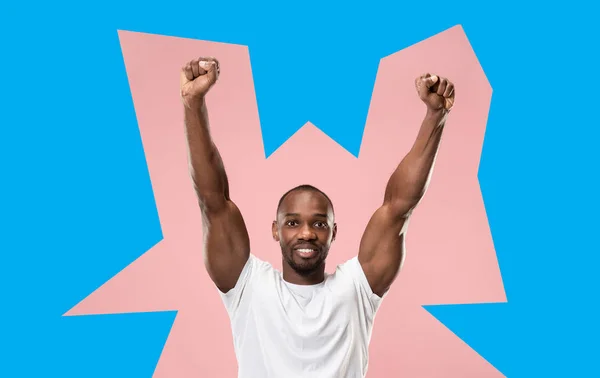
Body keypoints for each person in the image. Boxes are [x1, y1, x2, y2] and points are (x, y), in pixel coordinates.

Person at [180, 56, 455, 378]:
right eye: (293, 222)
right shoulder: (247, 287)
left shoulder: (356, 288)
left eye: (319, 223)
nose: (307, 233)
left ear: (334, 232)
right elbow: (212, 200)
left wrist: (436, 115)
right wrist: (193, 102)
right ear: (275, 230)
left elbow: (399, 207)